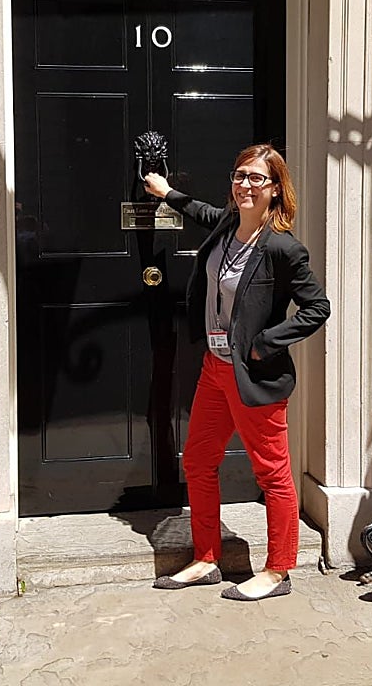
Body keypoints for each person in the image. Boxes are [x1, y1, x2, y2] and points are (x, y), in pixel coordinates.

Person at [143, 144, 330, 601]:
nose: (245, 185)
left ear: (274, 189)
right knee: (200, 462)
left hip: (255, 377)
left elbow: (317, 308)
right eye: (240, 175)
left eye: (256, 179)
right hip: (214, 369)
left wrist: (264, 345)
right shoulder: (228, 226)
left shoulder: (283, 248)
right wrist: (167, 193)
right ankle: (206, 558)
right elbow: (204, 211)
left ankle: (279, 569)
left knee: (272, 475)